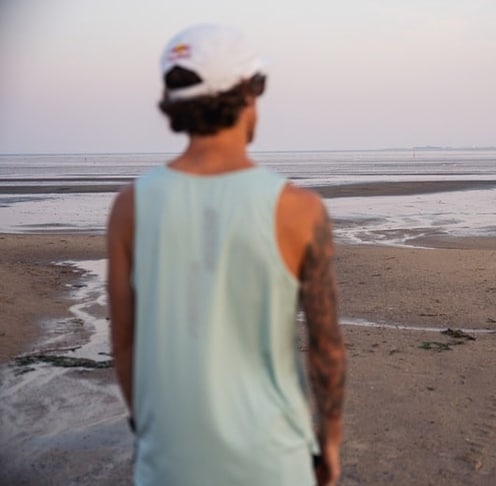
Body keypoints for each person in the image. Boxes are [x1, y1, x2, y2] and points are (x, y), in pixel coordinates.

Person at [107, 23, 346, 485]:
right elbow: (326, 346)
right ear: (247, 96)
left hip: (168, 463)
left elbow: (124, 342)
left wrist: (151, 428)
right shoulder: (299, 210)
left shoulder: (129, 207)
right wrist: (330, 441)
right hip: (273, 460)